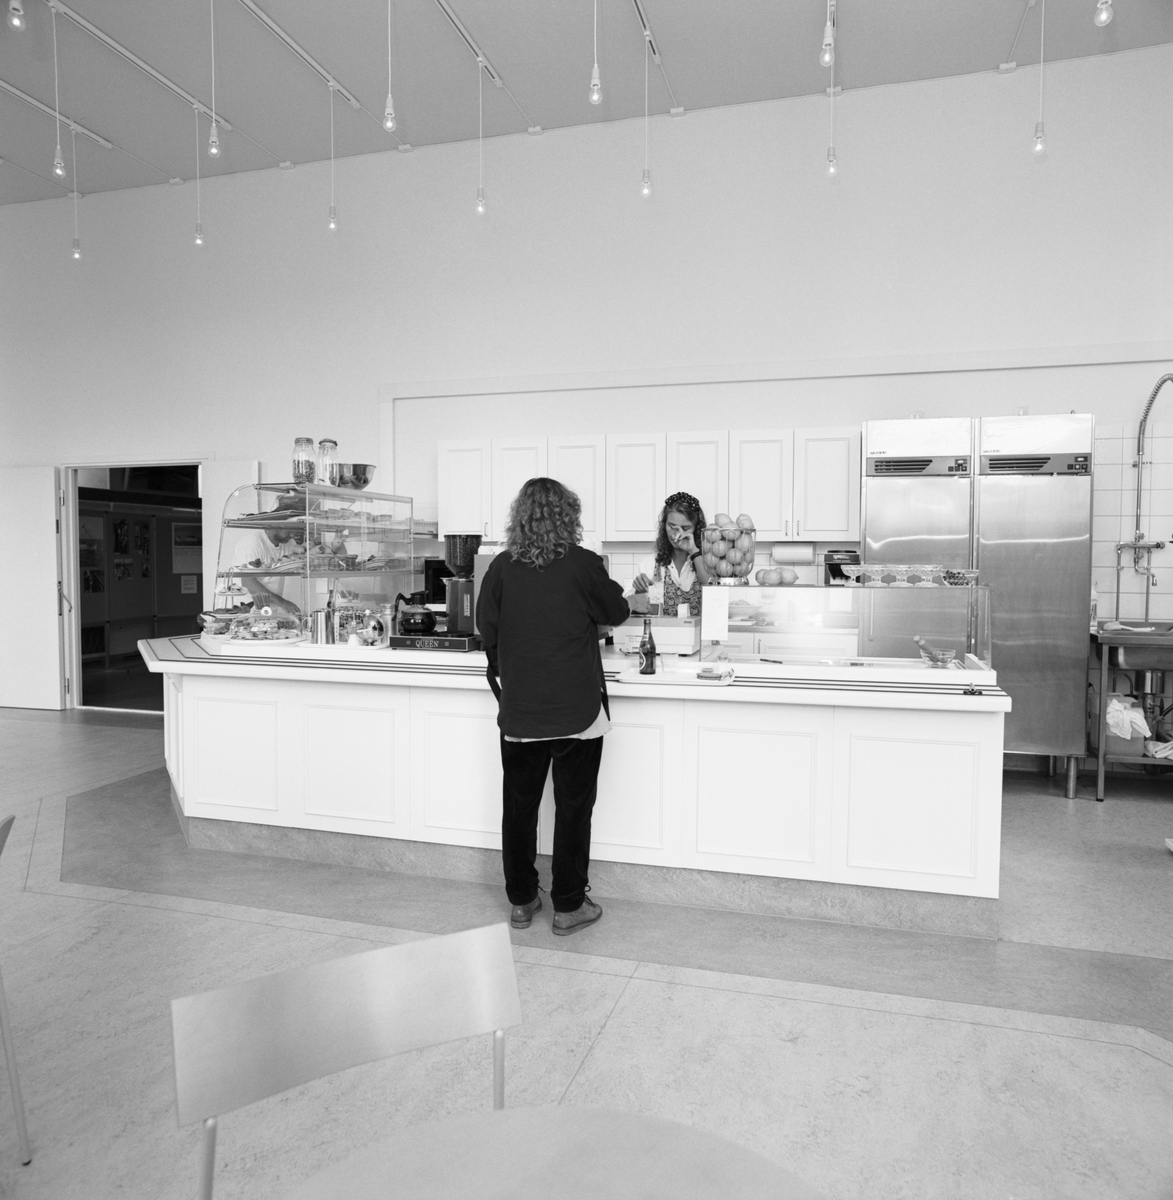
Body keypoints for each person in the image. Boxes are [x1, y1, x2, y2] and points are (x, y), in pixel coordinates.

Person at [476, 477, 630, 936]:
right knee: (573, 809)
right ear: (569, 517)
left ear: (519, 518)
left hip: (521, 712)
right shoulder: (583, 564)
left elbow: (488, 630)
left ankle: (522, 901)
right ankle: (568, 906)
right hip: (576, 712)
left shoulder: (501, 567)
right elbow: (616, 612)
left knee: (519, 809)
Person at [628, 491, 711, 616]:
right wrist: (638, 591)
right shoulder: (648, 565)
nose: (677, 534)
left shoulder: (709, 563)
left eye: (685, 528)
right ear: (664, 525)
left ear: (696, 529)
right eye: (672, 526)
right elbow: (634, 613)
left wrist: (693, 551)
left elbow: (714, 593)